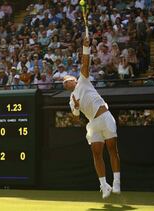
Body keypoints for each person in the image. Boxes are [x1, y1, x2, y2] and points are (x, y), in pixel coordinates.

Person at [63, 37, 121, 199]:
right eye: (63, 83)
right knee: (96, 153)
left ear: (73, 80)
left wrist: (85, 47)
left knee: (112, 148)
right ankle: (104, 185)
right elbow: (75, 116)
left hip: (105, 116)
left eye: (66, 80)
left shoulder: (83, 80)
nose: (65, 83)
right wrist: (75, 106)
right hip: (92, 124)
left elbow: (85, 63)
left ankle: (116, 182)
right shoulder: (70, 99)